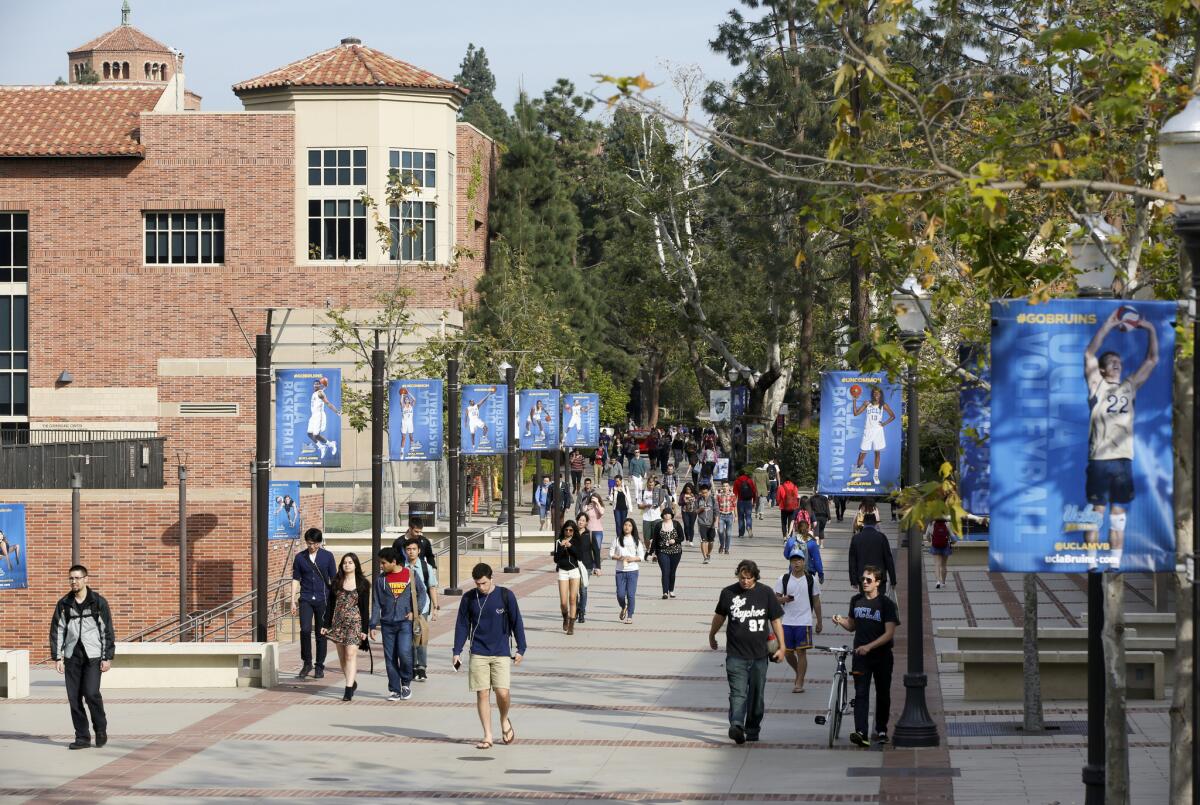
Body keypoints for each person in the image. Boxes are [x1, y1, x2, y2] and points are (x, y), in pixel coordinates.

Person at [1083, 307, 1158, 569]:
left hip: (1123, 459)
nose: (1117, 363)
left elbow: (1151, 360)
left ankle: (1114, 565)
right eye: (1112, 362)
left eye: (1119, 361)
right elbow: (1089, 354)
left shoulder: (1129, 386)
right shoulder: (1097, 385)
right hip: (1101, 459)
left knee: (1118, 517)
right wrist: (1107, 325)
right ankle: (1092, 565)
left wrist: (1149, 329)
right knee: (1096, 514)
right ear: (1103, 370)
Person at [709, 559, 786, 745]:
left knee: (756, 696)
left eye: (749, 578)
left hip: (759, 655)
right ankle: (736, 725)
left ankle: (752, 728)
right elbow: (719, 616)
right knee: (738, 693)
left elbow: (775, 621)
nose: (745, 581)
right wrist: (712, 635)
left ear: (755, 577)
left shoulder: (765, 592)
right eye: (742, 577)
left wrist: (782, 647)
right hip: (736, 655)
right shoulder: (728, 593)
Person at [452, 563, 527, 750]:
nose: (481, 587)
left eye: (484, 583)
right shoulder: (469, 598)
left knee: (502, 692)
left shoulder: (505, 596)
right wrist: (457, 651)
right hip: (478, 652)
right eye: (477, 584)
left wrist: (521, 648)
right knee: (482, 693)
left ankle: (504, 720)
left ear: (491, 578)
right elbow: (462, 625)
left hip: (501, 651)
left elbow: (517, 622)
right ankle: (487, 735)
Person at [832, 565, 899, 746]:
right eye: (863, 579)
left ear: (877, 582)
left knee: (882, 693)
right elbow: (852, 626)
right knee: (861, 693)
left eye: (869, 580)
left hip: (882, 657)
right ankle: (861, 732)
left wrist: (869, 646)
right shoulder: (856, 600)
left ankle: (881, 729)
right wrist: (840, 620)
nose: (865, 583)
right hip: (860, 657)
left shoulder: (886, 604)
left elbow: (889, 633)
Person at [51, 564, 115, 749]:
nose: (74, 581)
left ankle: (100, 729)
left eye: (78, 578)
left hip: (93, 656)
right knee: (74, 698)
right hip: (72, 656)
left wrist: (107, 656)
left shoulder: (98, 602)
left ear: (86, 579)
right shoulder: (64, 604)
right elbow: (57, 630)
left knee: (91, 693)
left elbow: (107, 631)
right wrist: (58, 658)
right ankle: (82, 737)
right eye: (71, 578)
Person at [369, 546, 427, 701]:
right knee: (390, 657)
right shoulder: (381, 580)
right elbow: (375, 603)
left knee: (405, 654)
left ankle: (406, 684)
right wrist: (373, 625)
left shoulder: (411, 575)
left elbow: (422, 594)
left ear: (393, 562)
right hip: (387, 624)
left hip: (405, 623)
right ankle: (394, 689)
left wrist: (416, 612)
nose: (381, 566)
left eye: (383, 563)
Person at [321, 552, 370, 701]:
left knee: (350, 654)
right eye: (344, 562)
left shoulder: (363, 584)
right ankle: (351, 680)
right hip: (338, 623)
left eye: (350, 562)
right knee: (342, 657)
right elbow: (330, 606)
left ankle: (348, 689)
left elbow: (365, 609)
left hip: (355, 623)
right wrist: (326, 624)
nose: (347, 565)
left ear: (356, 565)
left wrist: (364, 630)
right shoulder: (336, 582)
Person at [774, 547, 822, 693]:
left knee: (801, 652)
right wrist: (784, 599)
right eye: (793, 560)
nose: (796, 563)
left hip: (804, 621)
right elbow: (775, 600)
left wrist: (819, 621)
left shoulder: (811, 579)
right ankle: (798, 672)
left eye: (799, 560)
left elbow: (816, 601)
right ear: (790, 563)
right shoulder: (783, 579)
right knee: (788, 653)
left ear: (804, 562)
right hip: (787, 621)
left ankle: (799, 682)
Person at [292, 528, 337, 679]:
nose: (311, 546)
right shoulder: (300, 558)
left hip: (323, 598)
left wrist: (335, 600)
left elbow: (334, 578)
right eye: (309, 543)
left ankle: (319, 665)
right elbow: (296, 579)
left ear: (319, 543)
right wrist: (292, 600)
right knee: (305, 630)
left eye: (314, 543)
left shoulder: (327, 556)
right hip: (305, 598)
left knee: (321, 632)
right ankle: (307, 663)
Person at [402, 538, 439, 681]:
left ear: (419, 551)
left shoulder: (425, 567)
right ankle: (411, 666)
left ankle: (421, 667)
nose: (411, 552)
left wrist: (435, 607)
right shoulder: (402, 567)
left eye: (414, 549)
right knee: (409, 638)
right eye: (408, 549)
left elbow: (432, 587)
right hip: (406, 608)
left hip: (422, 607)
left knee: (421, 637)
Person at [852, 386, 896, 486]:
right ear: (872, 394)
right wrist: (854, 400)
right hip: (868, 431)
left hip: (878, 432)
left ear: (881, 394)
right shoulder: (867, 403)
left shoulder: (883, 405)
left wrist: (884, 424)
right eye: (875, 393)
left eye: (878, 393)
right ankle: (858, 474)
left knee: (877, 453)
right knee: (862, 454)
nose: (876, 395)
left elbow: (893, 416)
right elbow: (855, 413)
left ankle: (875, 475)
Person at [848, 513, 896, 595]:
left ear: (863, 523)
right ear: (875, 524)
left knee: (866, 602)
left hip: (863, 577)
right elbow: (888, 559)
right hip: (879, 576)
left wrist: (853, 580)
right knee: (879, 603)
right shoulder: (881, 537)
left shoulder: (856, 538)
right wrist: (893, 580)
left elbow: (852, 561)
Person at [552, 521, 587, 635]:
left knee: (572, 598)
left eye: (570, 530)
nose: (568, 532)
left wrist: (570, 546)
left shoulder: (577, 541)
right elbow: (556, 559)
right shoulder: (558, 541)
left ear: (574, 531)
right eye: (566, 530)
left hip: (574, 571)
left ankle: (571, 624)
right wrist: (562, 547)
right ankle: (565, 617)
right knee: (563, 602)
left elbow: (580, 556)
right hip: (563, 571)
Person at [610, 519, 644, 624]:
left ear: (632, 528)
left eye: (629, 525)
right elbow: (610, 554)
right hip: (620, 571)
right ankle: (623, 606)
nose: (627, 527)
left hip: (633, 571)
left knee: (631, 594)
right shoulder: (617, 540)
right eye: (625, 525)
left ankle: (630, 616)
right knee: (620, 594)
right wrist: (619, 557)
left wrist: (632, 559)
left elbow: (641, 556)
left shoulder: (636, 541)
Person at [649, 509, 685, 598]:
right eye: (665, 514)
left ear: (671, 515)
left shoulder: (676, 524)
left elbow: (682, 537)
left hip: (676, 551)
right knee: (665, 571)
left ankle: (671, 590)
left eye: (669, 514)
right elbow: (655, 540)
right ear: (662, 515)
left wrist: (675, 540)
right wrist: (650, 552)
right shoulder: (658, 525)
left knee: (672, 572)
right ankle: (665, 592)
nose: (667, 515)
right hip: (662, 551)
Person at [574, 512, 600, 623]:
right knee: (574, 590)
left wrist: (598, 567)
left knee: (583, 590)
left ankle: (581, 612)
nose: (581, 522)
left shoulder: (589, 535)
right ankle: (576, 609)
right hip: (574, 566)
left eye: (583, 520)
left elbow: (596, 551)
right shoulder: (572, 533)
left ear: (586, 523)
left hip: (587, 566)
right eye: (579, 520)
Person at [307, 376, 341, 460]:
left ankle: (331, 444)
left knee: (316, 435)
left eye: (317, 384)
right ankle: (322, 447)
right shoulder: (316, 392)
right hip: (313, 416)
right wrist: (325, 386)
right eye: (314, 384)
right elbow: (322, 391)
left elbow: (328, 403)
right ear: (313, 385)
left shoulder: (320, 393)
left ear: (319, 385)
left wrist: (336, 411)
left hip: (319, 415)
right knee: (309, 434)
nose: (315, 385)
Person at [926, 516, 956, 588]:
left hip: (935, 546)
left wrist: (930, 541)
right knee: (944, 565)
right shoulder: (947, 524)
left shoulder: (931, 524)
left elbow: (927, 535)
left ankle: (937, 581)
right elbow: (952, 535)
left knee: (937, 564)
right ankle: (943, 582)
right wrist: (954, 541)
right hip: (945, 546)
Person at [696, 483, 719, 564]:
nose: (704, 494)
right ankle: (705, 557)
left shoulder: (713, 499)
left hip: (711, 523)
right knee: (703, 541)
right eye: (702, 493)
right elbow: (695, 511)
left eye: (706, 492)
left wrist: (716, 523)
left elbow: (716, 512)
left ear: (709, 491)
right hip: (701, 523)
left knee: (711, 541)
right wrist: (700, 509)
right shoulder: (698, 499)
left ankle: (708, 554)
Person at [639, 475, 663, 551]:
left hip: (657, 517)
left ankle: (655, 551)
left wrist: (663, 516)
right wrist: (645, 505)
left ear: (654, 484)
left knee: (656, 536)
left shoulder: (658, 492)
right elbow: (639, 506)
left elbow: (662, 505)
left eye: (652, 485)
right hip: (646, 518)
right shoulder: (643, 492)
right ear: (647, 484)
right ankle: (648, 549)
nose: (651, 486)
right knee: (646, 538)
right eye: (649, 485)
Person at [731, 467, 757, 539]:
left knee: (741, 518)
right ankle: (749, 527)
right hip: (748, 501)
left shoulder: (737, 481)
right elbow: (754, 491)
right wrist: (754, 501)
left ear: (738, 475)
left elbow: (734, 493)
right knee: (748, 516)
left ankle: (741, 533)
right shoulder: (749, 480)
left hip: (741, 501)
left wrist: (733, 503)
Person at [585, 493, 606, 573]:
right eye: (592, 499)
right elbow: (582, 515)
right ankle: (591, 566)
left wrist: (597, 503)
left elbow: (602, 512)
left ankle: (597, 567)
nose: (593, 500)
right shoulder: (588, 507)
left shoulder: (600, 507)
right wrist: (587, 508)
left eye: (595, 498)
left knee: (597, 549)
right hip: (588, 530)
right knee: (589, 550)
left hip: (598, 531)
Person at [716, 481, 736, 555]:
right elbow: (717, 506)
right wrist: (716, 516)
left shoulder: (732, 495)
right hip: (721, 515)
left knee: (728, 534)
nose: (725, 487)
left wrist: (735, 516)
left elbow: (734, 505)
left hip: (729, 515)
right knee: (720, 531)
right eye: (724, 486)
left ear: (729, 487)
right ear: (722, 487)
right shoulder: (719, 495)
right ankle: (722, 545)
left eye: (726, 486)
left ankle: (727, 549)